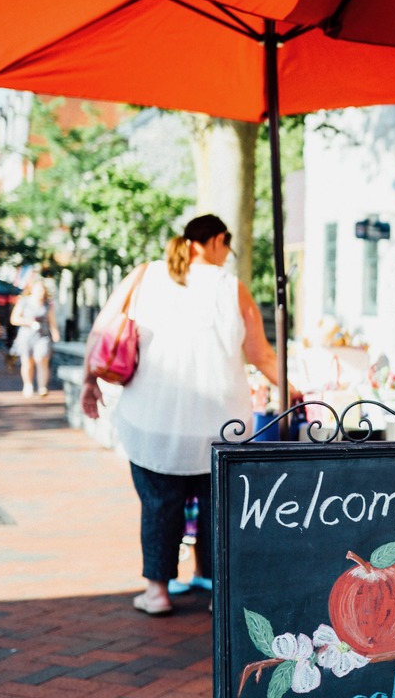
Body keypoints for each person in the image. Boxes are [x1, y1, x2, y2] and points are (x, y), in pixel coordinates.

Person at [80, 215, 279, 617]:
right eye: (228, 247)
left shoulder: (144, 275)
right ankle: (217, 592)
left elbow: (103, 331)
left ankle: (157, 593)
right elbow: (261, 354)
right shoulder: (233, 288)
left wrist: (89, 381)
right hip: (221, 424)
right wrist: (294, 387)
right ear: (217, 241)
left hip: (152, 419)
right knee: (217, 506)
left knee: (158, 503)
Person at [10, 274, 60, 396]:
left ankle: (43, 387)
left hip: (42, 336)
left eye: (42, 289)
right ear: (32, 289)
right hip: (26, 336)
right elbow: (14, 319)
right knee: (27, 362)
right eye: (38, 289)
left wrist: (55, 332)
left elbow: (51, 320)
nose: (40, 292)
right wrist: (29, 322)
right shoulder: (24, 301)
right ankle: (28, 385)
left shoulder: (48, 304)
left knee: (41, 358)